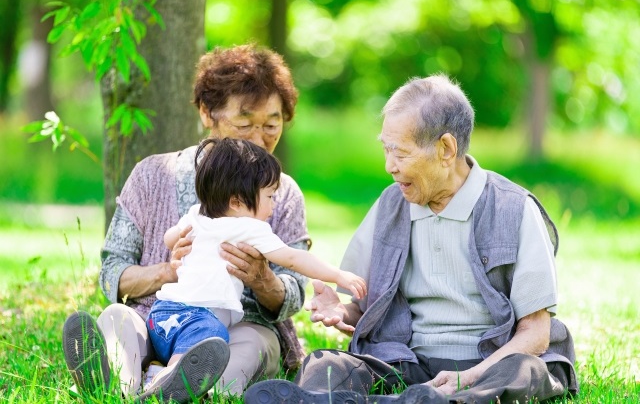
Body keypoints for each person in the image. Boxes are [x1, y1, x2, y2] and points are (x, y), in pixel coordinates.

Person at [245, 74, 578, 403]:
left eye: (401, 153)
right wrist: (342, 312)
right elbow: (366, 310)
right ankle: (370, 400)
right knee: (327, 364)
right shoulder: (391, 204)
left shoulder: (514, 208)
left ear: (446, 148)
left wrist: (467, 377)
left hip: (488, 364)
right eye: (386, 150)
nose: (389, 166)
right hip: (406, 361)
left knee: (527, 372)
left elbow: (536, 333)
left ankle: (440, 399)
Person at [62, 44, 313, 402]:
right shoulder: (152, 175)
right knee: (119, 318)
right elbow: (112, 274)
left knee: (250, 344)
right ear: (206, 113)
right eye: (244, 123)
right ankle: (119, 384)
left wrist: (263, 279)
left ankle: (170, 386)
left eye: (271, 125)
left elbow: (296, 291)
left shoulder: (283, 194)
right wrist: (168, 271)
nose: (259, 138)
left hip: (235, 330)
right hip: (157, 321)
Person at [144, 137, 366, 393]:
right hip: (198, 321)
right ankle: (162, 386)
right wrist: (337, 275)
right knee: (203, 345)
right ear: (237, 202)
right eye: (270, 196)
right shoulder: (249, 228)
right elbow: (294, 258)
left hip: (163, 313)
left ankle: (156, 373)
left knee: (196, 348)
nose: (273, 205)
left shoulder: (197, 214)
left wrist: (181, 243)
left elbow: (169, 238)